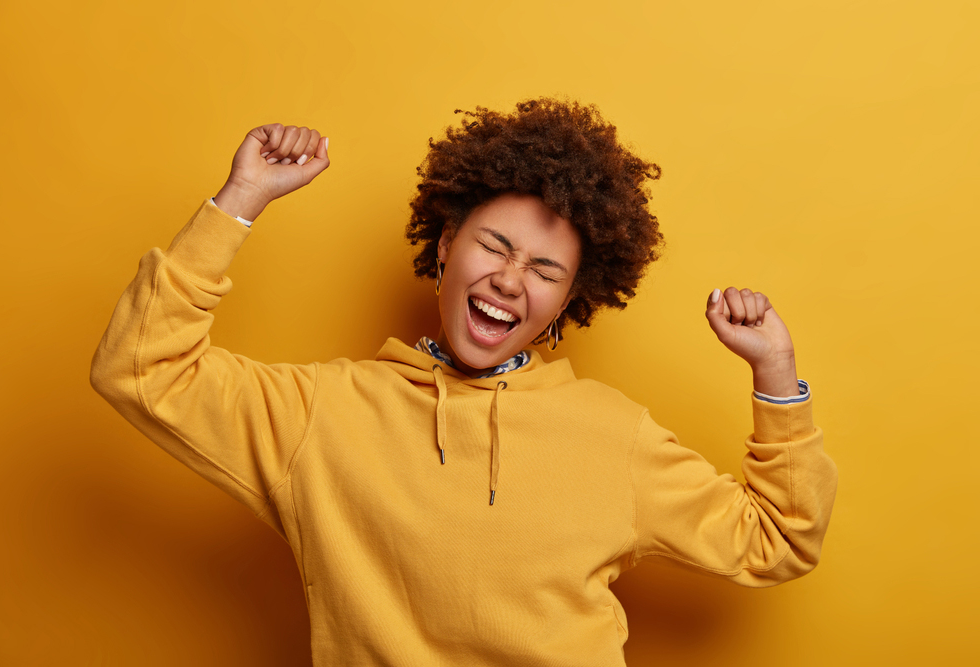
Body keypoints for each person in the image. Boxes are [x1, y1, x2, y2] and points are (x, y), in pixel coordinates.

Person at [91, 98, 838, 666]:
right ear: (447, 244)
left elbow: (775, 541)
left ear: (568, 300)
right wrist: (241, 199)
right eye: (495, 246)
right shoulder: (320, 413)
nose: (511, 281)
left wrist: (775, 372)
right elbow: (140, 365)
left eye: (545, 271)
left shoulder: (615, 437)